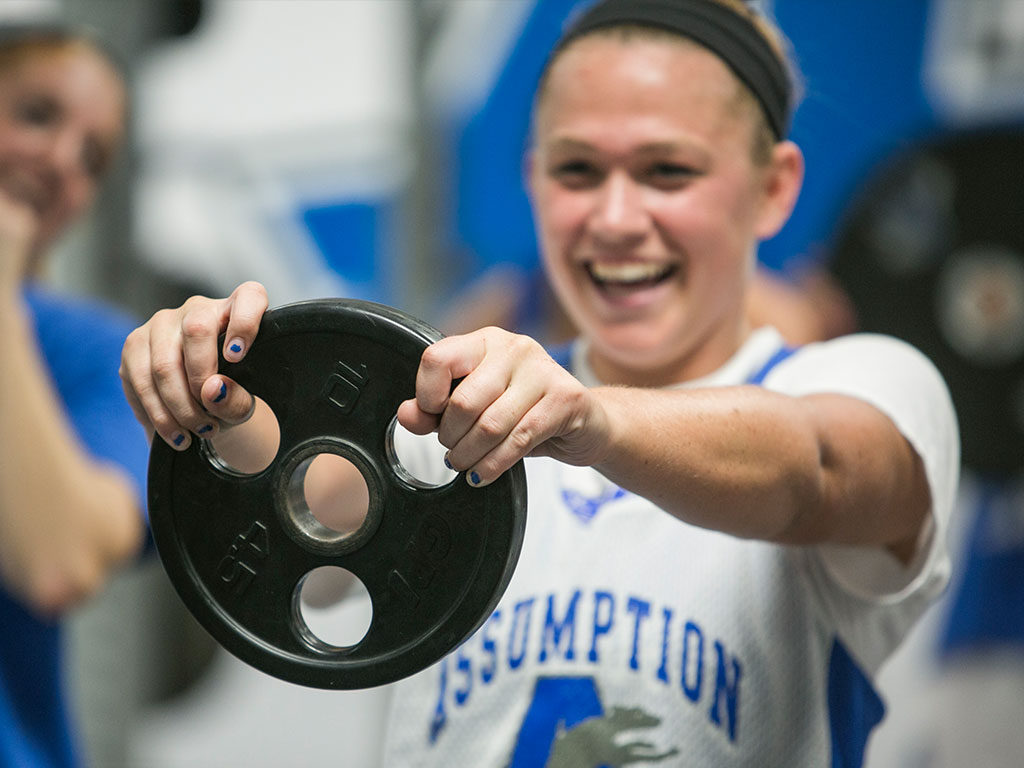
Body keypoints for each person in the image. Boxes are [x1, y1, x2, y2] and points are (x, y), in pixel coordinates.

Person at [119, 0, 960, 764]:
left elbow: (814, 472)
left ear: (772, 189)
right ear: (532, 180)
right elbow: (308, 496)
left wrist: (593, 421)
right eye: (578, 171)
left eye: (669, 171)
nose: (618, 219)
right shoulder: (458, 410)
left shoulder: (870, 382)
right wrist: (211, 397)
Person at [0, 24, 149, 768]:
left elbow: (60, 562)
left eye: (93, 158)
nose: (61, 162)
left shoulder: (103, 358)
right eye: (35, 115)